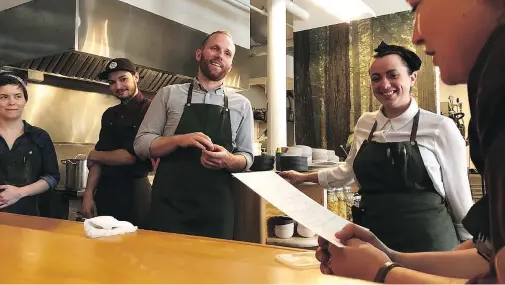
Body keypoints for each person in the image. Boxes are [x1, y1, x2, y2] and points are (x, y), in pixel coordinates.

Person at [315, 0, 505, 283]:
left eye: (418, 4)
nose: (416, 33)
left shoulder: (495, 88)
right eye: (376, 77)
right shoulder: (491, 84)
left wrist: (385, 272)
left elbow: (468, 220)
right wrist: (391, 257)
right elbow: (489, 259)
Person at [281, 41, 473, 253]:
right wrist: (302, 177)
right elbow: (347, 171)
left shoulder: (439, 127)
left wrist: (472, 247)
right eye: (376, 78)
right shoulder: (366, 123)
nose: (384, 84)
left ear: (412, 79)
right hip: (374, 239)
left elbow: (459, 195)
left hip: (428, 241)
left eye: (393, 75)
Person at [134, 30, 254, 240]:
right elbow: (141, 144)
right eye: (215, 48)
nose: (220, 55)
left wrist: (228, 160)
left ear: (230, 65)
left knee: (213, 270)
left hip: (216, 210)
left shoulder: (242, 105)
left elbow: (247, 157)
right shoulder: (168, 94)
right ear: (199, 54)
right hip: (169, 205)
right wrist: (179, 140)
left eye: (227, 53)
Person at [0, 72, 60, 215]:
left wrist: (20, 192)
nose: (11, 102)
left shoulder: (40, 137)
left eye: (17, 96)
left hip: (30, 219)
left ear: (25, 100)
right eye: (4, 97)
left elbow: (52, 177)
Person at [82, 58, 153, 229]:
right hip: (106, 193)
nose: (118, 86)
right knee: (102, 251)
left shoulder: (149, 109)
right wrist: (88, 195)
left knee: (135, 251)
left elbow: (129, 157)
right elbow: (97, 162)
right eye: (112, 82)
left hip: (135, 194)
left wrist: (94, 154)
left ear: (136, 77)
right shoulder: (109, 114)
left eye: (123, 79)